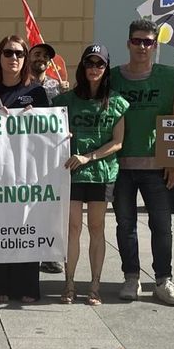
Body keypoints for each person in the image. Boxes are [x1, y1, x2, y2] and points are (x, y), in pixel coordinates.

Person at [110, 19, 174, 306]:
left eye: (148, 42)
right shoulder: (113, 77)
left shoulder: (170, 76)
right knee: (124, 224)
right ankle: (131, 277)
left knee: (162, 226)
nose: (143, 46)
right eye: (138, 41)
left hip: (158, 166)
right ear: (128, 43)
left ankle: (163, 280)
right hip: (120, 165)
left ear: (156, 46)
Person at [0, 35, 51, 304]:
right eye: (8, 53)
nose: (14, 58)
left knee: (25, 227)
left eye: (20, 53)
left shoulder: (38, 92)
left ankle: (27, 285)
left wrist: (38, 119)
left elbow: (50, 134)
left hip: (27, 174)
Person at [53, 44, 125, 306]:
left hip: (102, 174)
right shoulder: (64, 101)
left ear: (106, 68)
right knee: (73, 230)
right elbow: (48, 130)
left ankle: (94, 285)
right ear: (82, 67)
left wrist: (89, 156)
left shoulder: (116, 101)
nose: (94, 68)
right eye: (89, 63)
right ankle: (69, 283)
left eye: (100, 64)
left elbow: (117, 142)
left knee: (97, 229)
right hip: (71, 174)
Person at [30, 40, 68, 276]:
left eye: (45, 56)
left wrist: (66, 95)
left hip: (51, 156)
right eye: (36, 54)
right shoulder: (22, 85)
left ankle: (50, 255)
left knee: (51, 206)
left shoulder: (57, 87)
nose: (41, 59)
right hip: (27, 154)